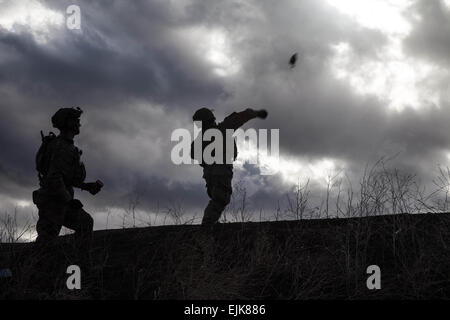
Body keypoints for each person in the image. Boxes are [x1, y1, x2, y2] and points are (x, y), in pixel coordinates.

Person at [32, 107, 103, 249]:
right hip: (53, 202)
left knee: (84, 223)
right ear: (68, 123)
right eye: (76, 120)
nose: (79, 124)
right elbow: (54, 178)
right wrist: (69, 201)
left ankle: (75, 262)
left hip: (58, 201)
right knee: (46, 244)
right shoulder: (62, 147)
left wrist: (87, 186)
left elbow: (66, 178)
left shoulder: (66, 146)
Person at [191, 107, 268, 225]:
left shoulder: (199, 140)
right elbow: (239, 118)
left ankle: (210, 223)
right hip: (221, 172)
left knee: (217, 199)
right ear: (211, 119)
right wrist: (256, 113)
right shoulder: (222, 129)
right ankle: (207, 225)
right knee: (220, 199)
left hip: (209, 176)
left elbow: (193, 154)